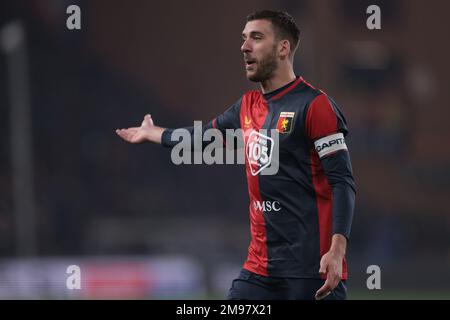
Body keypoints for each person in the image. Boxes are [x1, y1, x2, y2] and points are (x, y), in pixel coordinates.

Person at [116, 10, 355, 300]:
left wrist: (337, 249)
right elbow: (202, 137)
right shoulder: (246, 106)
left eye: (256, 37)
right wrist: (154, 133)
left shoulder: (315, 106)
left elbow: (342, 182)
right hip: (259, 271)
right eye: (243, 39)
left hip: (311, 270)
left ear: (283, 48)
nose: (244, 46)